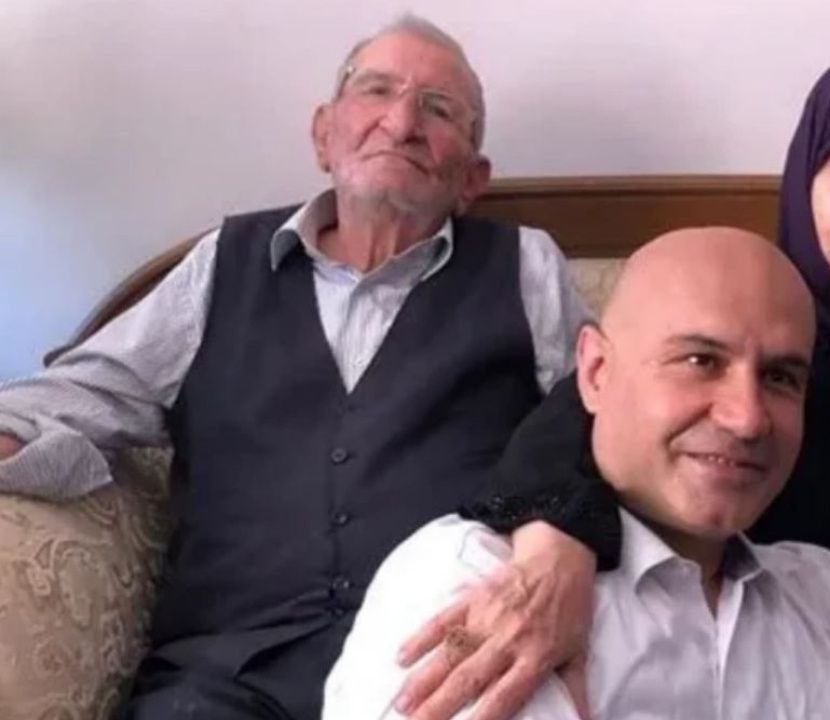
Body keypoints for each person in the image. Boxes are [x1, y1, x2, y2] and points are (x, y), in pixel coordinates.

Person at [392, 48, 830, 720]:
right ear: (807, 178)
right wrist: (555, 537)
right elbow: (581, 416)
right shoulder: (759, 305)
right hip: (778, 625)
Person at [0, 14, 592, 720]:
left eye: (439, 110)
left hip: (437, 668)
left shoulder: (525, 268)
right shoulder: (222, 266)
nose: (402, 122)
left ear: (472, 178)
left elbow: (607, 428)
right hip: (221, 682)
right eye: (376, 91)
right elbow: (74, 397)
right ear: (323, 134)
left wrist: (567, 541)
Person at [325, 226, 830, 720]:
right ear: (595, 372)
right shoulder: (478, 585)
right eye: (700, 360)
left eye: (780, 377)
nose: (748, 418)